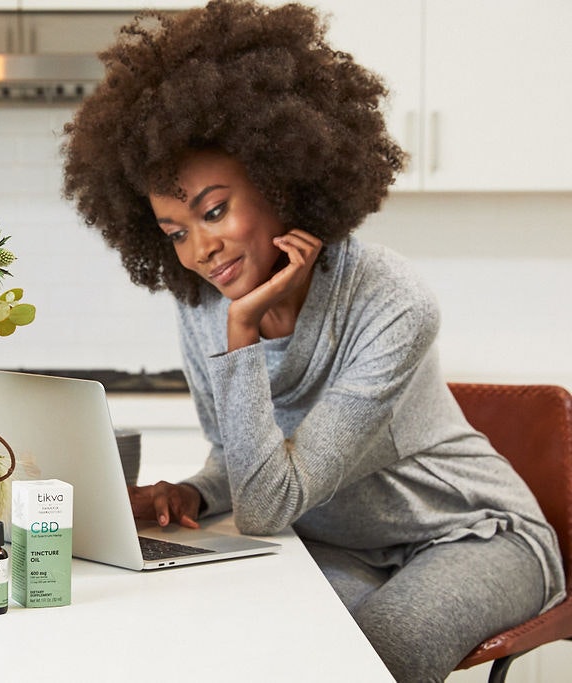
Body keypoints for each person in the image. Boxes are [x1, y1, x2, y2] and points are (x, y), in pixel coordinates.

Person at [60, 2, 565, 681]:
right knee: (274, 638)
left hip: (469, 534)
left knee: (376, 653)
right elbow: (247, 467)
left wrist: (241, 335)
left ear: (281, 179)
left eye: (215, 210)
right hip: (337, 542)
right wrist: (191, 491)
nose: (202, 250)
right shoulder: (203, 304)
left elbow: (266, 505)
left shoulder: (390, 299)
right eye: (177, 231)